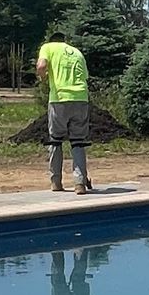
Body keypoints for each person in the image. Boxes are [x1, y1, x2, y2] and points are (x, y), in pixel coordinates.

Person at [35, 31, 92, 194]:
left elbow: (41, 66)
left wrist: (43, 77)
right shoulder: (77, 52)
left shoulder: (48, 47)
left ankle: (56, 182)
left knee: (55, 140)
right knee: (78, 142)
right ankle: (80, 183)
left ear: (51, 41)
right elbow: (85, 76)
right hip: (81, 98)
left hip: (59, 99)